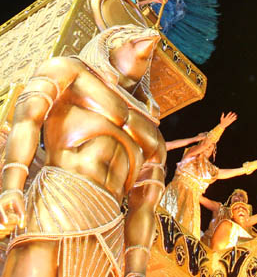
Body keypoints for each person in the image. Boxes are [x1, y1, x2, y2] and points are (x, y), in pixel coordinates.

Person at [0, 24, 166, 277]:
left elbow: (144, 206)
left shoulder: (154, 136)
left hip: (109, 222)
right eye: (126, 34)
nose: (142, 40)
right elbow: (27, 120)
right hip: (57, 198)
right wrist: (12, 187)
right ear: (105, 44)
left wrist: (136, 270)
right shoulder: (69, 71)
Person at [160, 111, 257, 238]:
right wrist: (221, 127)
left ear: (213, 153)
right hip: (177, 192)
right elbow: (205, 143)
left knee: (184, 235)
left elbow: (237, 171)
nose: (209, 147)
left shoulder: (212, 171)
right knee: (165, 224)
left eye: (212, 147)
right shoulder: (190, 155)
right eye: (208, 145)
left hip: (192, 202)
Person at [201, 185, 257, 251]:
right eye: (235, 194)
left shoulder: (244, 219)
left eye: (241, 195)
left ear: (245, 202)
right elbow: (202, 200)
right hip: (207, 247)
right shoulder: (220, 209)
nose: (237, 197)